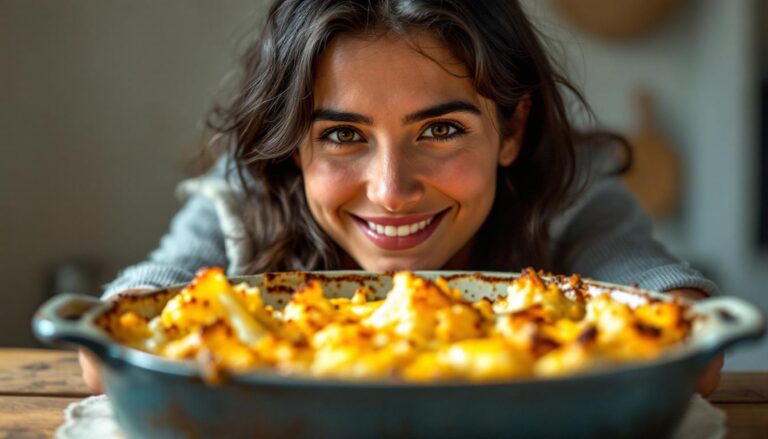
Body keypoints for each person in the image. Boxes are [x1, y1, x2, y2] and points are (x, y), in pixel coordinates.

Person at [80, 0, 722, 395]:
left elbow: (691, 345)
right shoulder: (246, 196)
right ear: (292, 146)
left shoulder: (568, 195)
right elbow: (108, 347)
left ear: (512, 129)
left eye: (440, 130)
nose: (391, 191)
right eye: (341, 135)